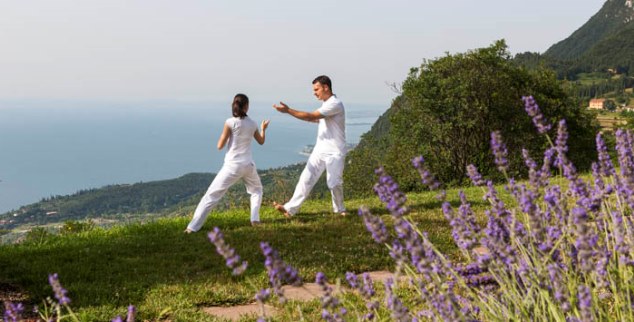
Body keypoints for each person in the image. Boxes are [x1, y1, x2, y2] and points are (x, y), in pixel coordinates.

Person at [185, 94, 270, 233]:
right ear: (247, 106)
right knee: (257, 190)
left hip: (232, 166)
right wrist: (263, 129)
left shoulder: (230, 122)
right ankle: (255, 219)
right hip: (248, 165)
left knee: (211, 196)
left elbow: (220, 145)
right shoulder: (253, 123)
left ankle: (192, 227)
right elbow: (261, 141)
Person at [272, 75, 347, 217]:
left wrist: (288, 111)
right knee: (306, 179)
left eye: (316, 89)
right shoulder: (326, 104)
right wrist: (310, 119)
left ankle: (340, 210)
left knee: (334, 183)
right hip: (320, 150)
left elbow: (311, 116)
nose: (314, 92)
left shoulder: (335, 103)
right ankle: (290, 209)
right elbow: (319, 120)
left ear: (326, 87)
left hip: (335, 151)